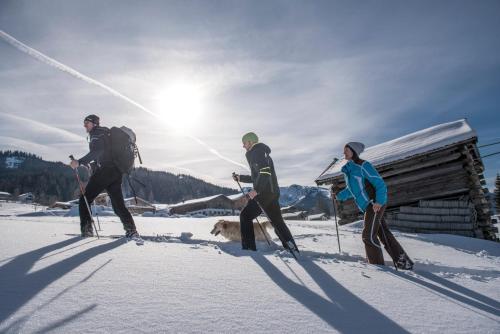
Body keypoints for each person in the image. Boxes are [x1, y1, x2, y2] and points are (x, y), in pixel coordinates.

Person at [333, 142, 413, 270]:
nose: (344, 153)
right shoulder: (350, 169)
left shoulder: (364, 165)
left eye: (346, 150)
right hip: (368, 206)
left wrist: (379, 202)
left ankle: (377, 266)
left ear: (354, 151)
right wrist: (338, 196)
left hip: (374, 203)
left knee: (368, 235)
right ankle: (404, 262)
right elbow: (351, 189)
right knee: (383, 234)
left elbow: (380, 183)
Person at [69, 114, 141, 241]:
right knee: (118, 205)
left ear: (95, 123)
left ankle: (87, 231)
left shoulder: (97, 133)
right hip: (115, 172)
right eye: (84, 123)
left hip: (106, 171)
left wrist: (79, 162)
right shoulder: (105, 133)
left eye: (87, 122)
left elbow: (97, 151)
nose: (85, 125)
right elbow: (103, 153)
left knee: (84, 199)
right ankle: (131, 230)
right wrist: (94, 165)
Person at [232, 132, 298, 253]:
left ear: (251, 142)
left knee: (245, 216)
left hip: (264, 194)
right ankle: (291, 246)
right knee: (277, 221)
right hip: (271, 192)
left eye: (244, 143)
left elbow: (265, 172)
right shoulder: (260, 152)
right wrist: (240, 178)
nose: (243, 146)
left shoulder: (257, 152)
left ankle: (249, 249)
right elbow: (257, 176)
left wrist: (257, 190)